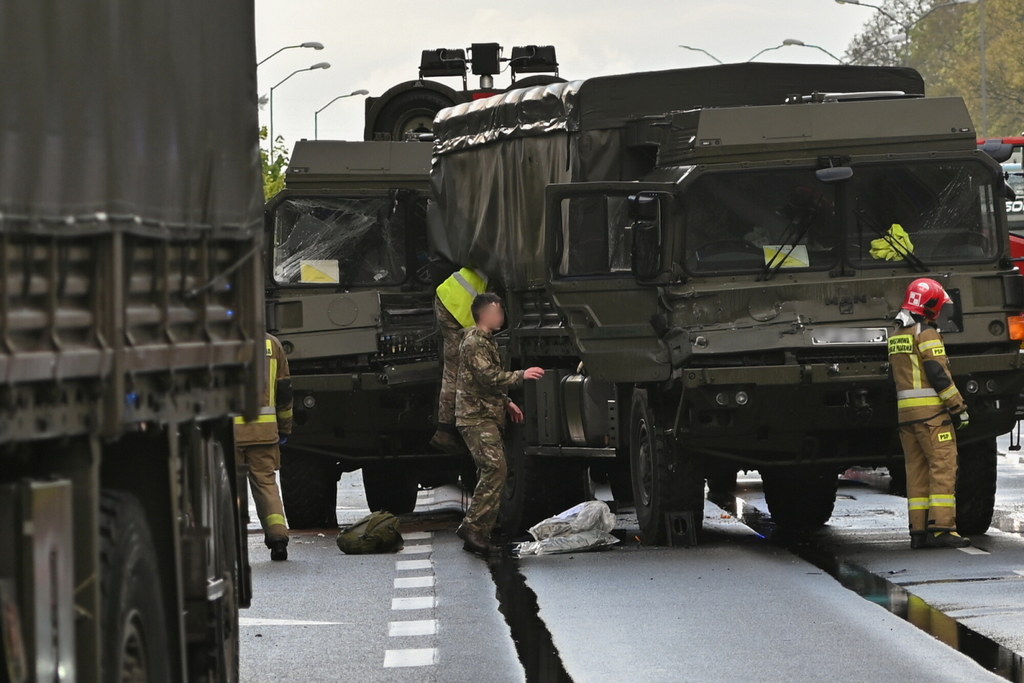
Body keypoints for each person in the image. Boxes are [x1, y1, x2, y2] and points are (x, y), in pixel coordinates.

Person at [455, 293, 544, 555]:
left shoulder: (485, 341)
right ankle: (474, 528)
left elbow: (480, 381)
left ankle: (476, 528)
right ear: (485, 314)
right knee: (495, 469)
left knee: (493, 469)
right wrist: (521, 375)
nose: (502, 317)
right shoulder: (474, 343)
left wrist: (506, 402)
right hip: (475, 417)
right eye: (498, 312)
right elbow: (487, 377)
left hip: (484, 414)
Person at [888, 278, 971, 549]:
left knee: (916, 472)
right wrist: (958, 407)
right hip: (932, 417)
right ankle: (943, 527)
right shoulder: (926, 333)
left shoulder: (898, 334)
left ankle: (918, 531)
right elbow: (937, 373)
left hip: (907, 418)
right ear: (930, 306)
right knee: (943, 466)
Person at [235, 333, 294, 561]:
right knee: (266, 484)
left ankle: (233, 543)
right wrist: (285, 427)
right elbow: (285, 390)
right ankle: (278, 538)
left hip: (227, 433)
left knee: (229, 487)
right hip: (264, 432)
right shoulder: (272, 344)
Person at [431, 267, 489, 454]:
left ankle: (447, 429)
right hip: (455, 309)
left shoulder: (490, 252)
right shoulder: (501, 265)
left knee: (454, 370)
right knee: (455, 370)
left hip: (447, 297)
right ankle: (445, 430)